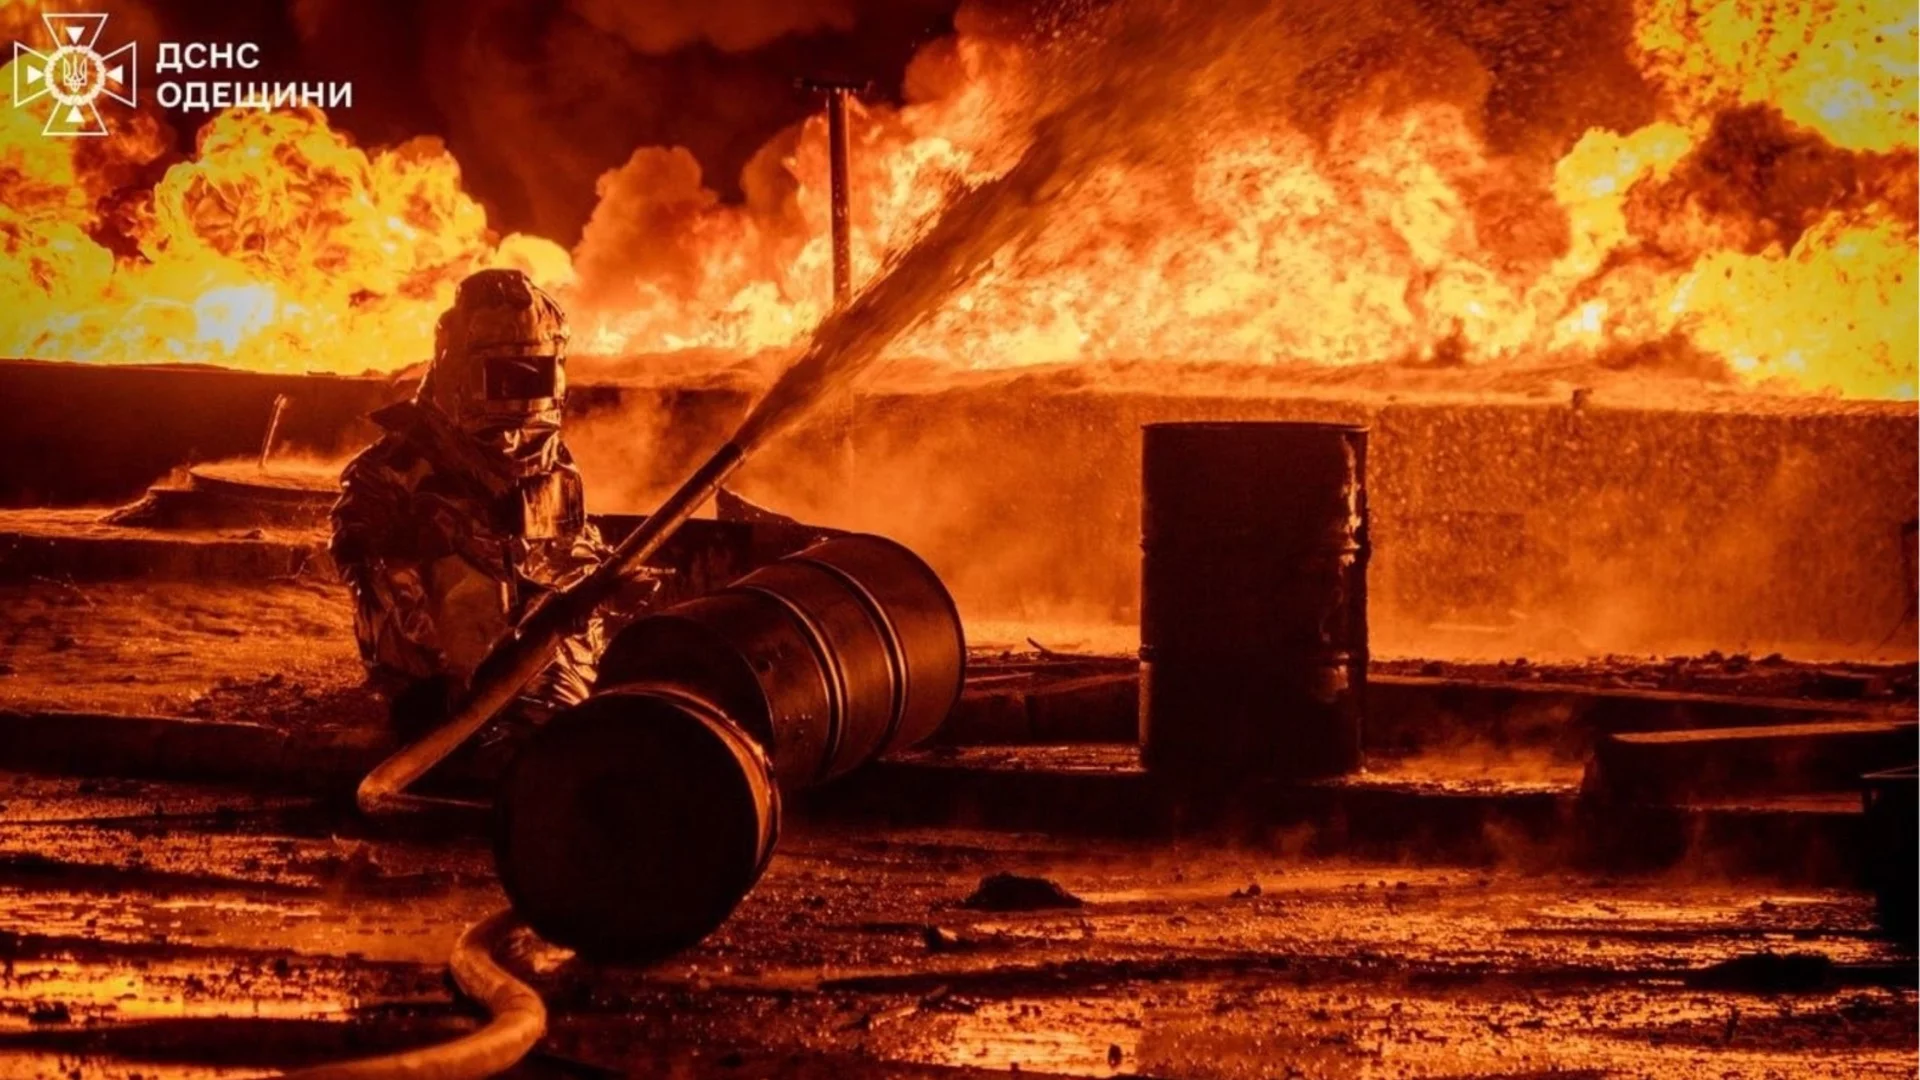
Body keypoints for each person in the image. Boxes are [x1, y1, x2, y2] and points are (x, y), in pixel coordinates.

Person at [329, 269, 630, 755]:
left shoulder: (550, 460)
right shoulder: (399, 466)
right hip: (434, 670)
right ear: (459, 372)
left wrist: (601, 581)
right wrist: (440, 670)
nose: (519, 394)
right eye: (504, 375)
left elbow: (563, 550)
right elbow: (367, 563)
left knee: (571, 738)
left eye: (534, 372)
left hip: (537, 658)